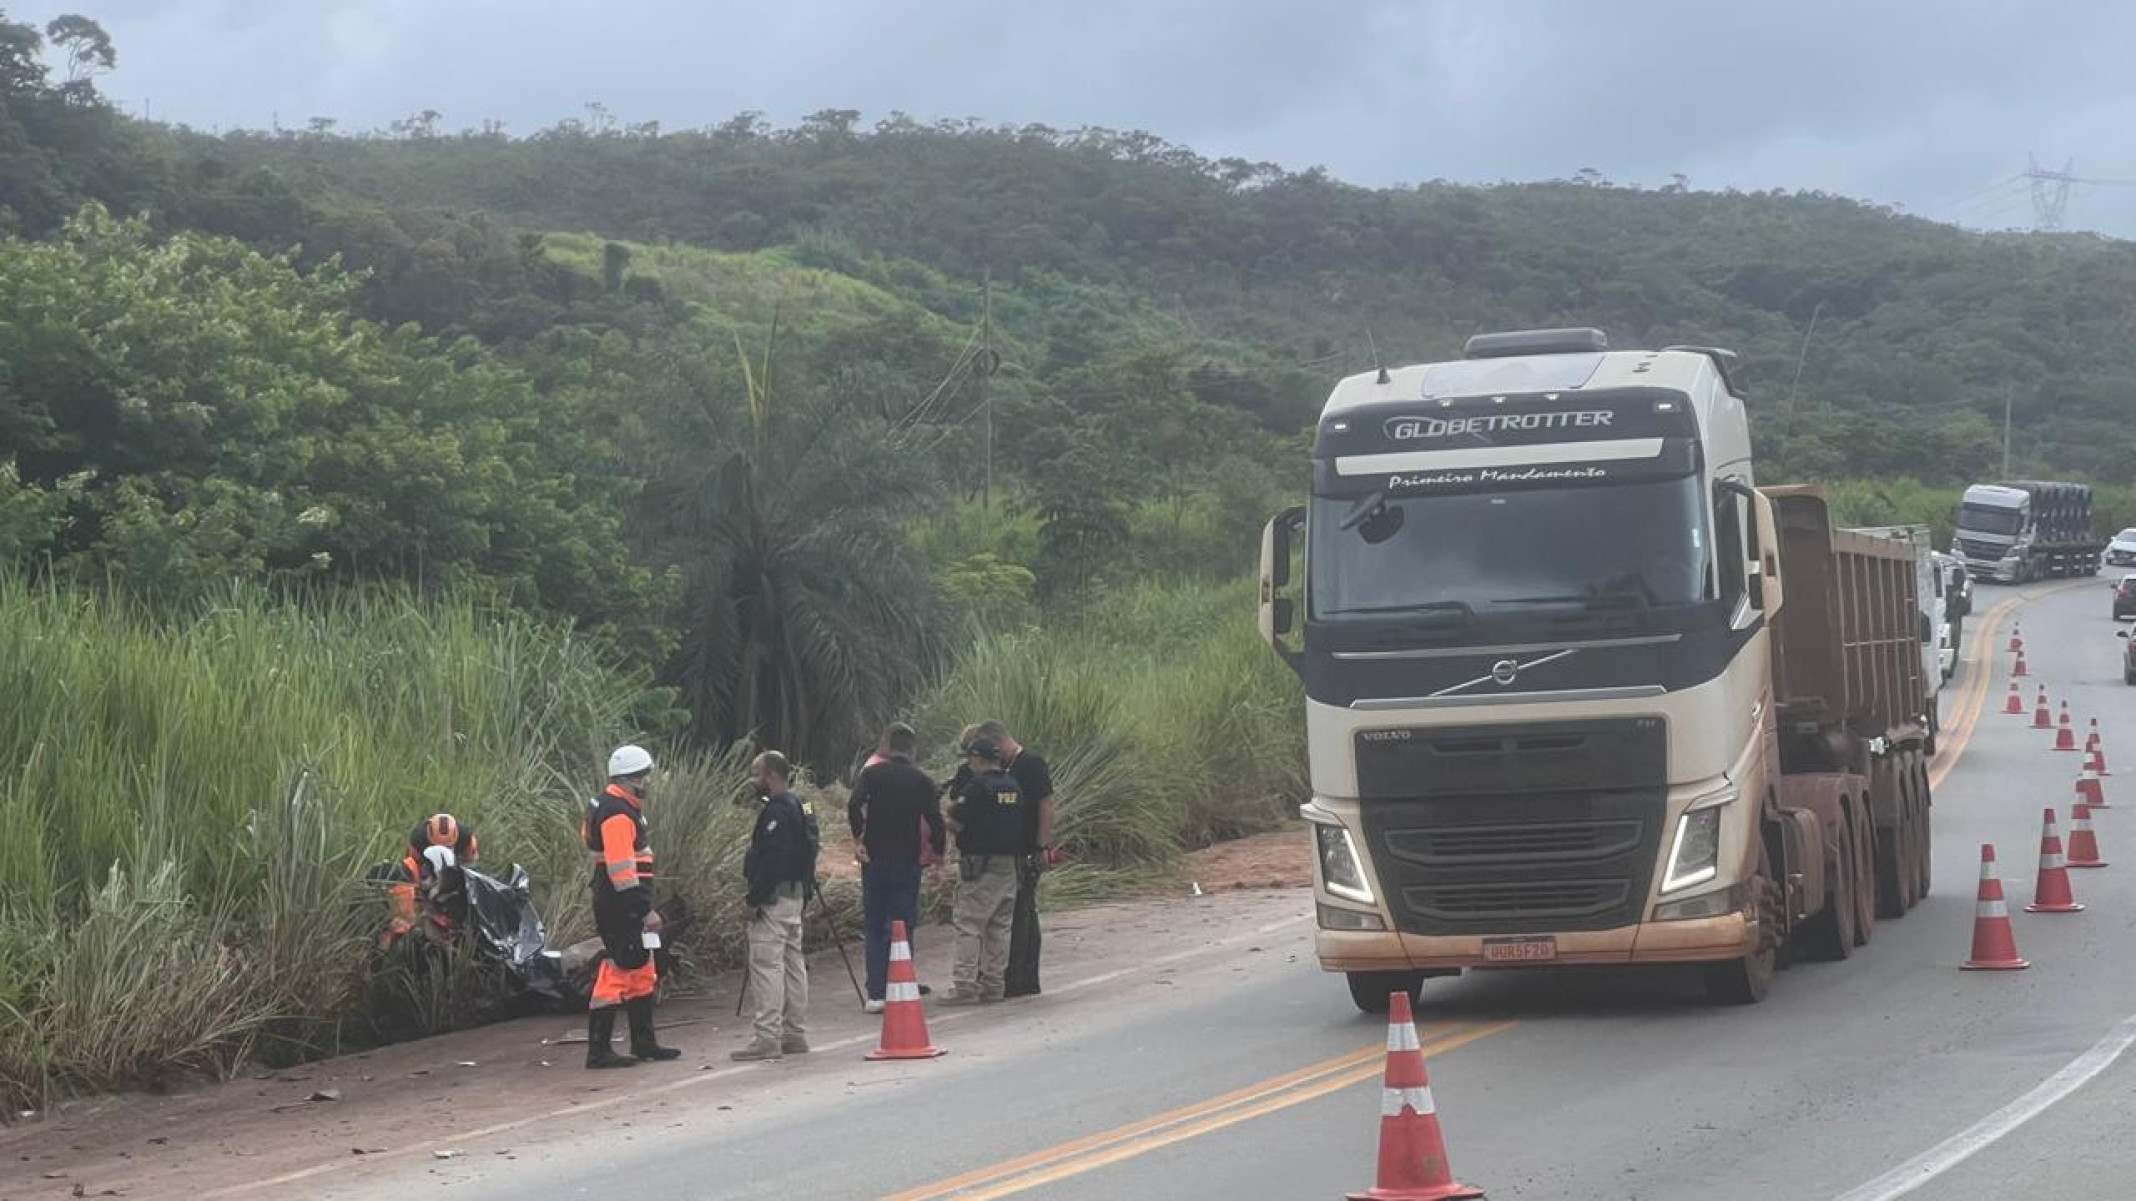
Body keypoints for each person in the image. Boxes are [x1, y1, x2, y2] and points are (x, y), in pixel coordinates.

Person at [581, 744, 680, 1069]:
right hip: (620, 904)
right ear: (631, 779)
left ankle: (644, 1042)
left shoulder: (610, 805)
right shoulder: (617, 814)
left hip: (618, 900)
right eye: (645, 777)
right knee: (617, 970)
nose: (648, 783)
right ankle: (599, 1050)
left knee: (641, 969)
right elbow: (621, 872)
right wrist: (643, 911)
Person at [951, 720, 1057, 998]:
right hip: (1008, 855)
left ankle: (1021, 978)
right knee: (1003, 922)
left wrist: (1042, 846)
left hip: (1023, 852)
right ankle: (999, 979)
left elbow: (1045, 805)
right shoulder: (1001, 776)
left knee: (1018, 917)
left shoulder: (1030, 765)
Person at [848, 723, 945, 1013]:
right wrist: (939, 855)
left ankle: (876, 992)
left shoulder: (872, 774)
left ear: (888, 747)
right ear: (913, 750)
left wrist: (858, 838)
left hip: (875, 860)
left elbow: (854, 804)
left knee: (875, 925)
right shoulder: (922, 781)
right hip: (907, 862)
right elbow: (935, 821)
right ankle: (900, 985)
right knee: (902, 926)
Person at [737, 750, 819, 1060]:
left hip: (773, 898)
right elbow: (814, 836)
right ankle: (795, 1033)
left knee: (767, 966)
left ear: (771, 775)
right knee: (793, 964)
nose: (754, 780)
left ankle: (767, 1036)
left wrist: (754, 898)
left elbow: (771, 859)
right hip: (797, 894)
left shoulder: (776, 812)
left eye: (757, 774)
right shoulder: (804, 803)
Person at [943, 735, 1024, 1005]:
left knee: (969, 924)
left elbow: (955, 816)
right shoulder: (1012, 785)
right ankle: (994, 985)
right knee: (999, 928)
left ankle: (964, 985)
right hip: (1008, 865)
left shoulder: (978, 786)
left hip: (980, 866)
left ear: (977, 758)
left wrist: (945, 819)